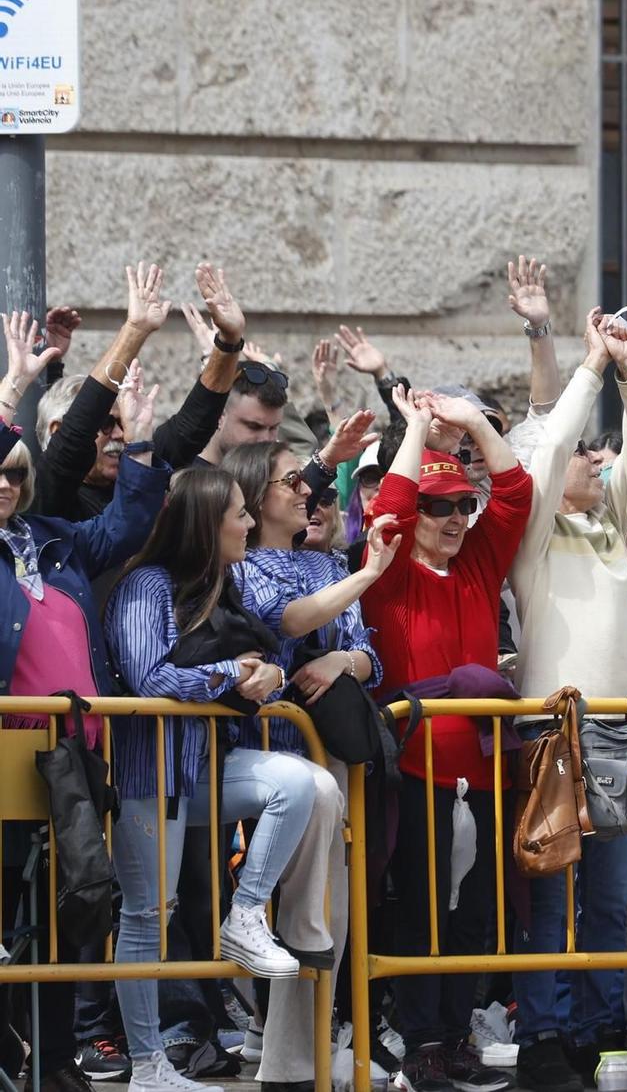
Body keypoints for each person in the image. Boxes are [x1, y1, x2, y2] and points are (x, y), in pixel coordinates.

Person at [105, 469, 345, 1092]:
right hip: (149, 772)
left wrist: (258, 673)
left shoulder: (219, 586)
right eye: (238, 513)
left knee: (298, 782)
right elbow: (149, 678)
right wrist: (231, 674)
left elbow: (249, 656)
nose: (246, 523)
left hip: (205, 765)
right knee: (146, 915)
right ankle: (147, 1066)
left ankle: (245, 916)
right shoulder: (145, 585)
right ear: (207, 523)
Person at [0, 315, 170, 1092]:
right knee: (7, 923)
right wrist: (12, 389)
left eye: (12, 473)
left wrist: (136, 439)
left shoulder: (55, 539)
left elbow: (131, 519)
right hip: (7, 758)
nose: (5, 482)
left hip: (71, 761)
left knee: (74, 912)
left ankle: (58, 1058)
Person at [507, 308, 627, 1092]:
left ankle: (604, 1035)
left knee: (611, 902)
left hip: (620, 738)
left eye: (600, 455)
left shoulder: (608, 519)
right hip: (549, 734)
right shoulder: (533, 529)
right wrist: (591, 366)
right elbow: (557, 442)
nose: (597, 460)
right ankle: (540, 1036)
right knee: (548, 895)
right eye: (582, 455)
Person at [362, 386, 529, 1092]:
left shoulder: (480, 562)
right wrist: (418, 428)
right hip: (416, 768)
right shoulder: (389, 569)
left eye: (464, 504)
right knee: (424, 911)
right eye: (441, 507)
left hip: (486, 770)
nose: (457, 518)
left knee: (478, 916)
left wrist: (466, 422)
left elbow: (515, 490)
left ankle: (456, 1035)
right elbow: (390, 503)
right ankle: (423, 1040)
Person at [218, 442, 398, 1092]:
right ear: (254, 493)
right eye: (291, 481)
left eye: (308, 481)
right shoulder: (239, 567)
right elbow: (282, 621)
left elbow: (366, 652)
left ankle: (305, 1057)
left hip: (331, 765)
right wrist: (368, 574)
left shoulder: (324, 566)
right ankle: (276, 1053)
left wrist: (342, 663)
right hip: (265, 763)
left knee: (331, 915)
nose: (307, 493)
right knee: (289, 916)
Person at [31, 265, 244, 521]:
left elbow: (191, 426)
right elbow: (75, 436)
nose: (121, 434)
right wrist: (135, 330)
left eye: (123, 422)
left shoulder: (135, 469)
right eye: (107, 423)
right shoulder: (47, 490)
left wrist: (229, 342)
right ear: (56, 430)